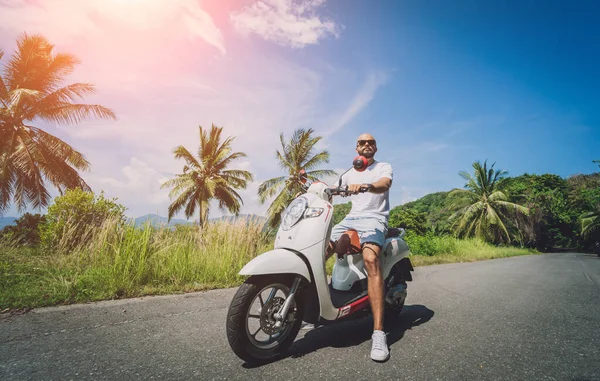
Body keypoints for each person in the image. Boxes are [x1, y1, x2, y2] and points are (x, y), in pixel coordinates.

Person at [329, 133, 393, 362]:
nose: (367, 145)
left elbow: (384, 184)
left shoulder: (383, 167)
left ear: (375, 147)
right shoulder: (348, 172)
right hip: (351, 219)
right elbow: (334, 190)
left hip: (374, 219)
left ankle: (378, 333)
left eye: (371, 142)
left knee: (370, 259)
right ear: (356, 147)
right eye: (362, 142)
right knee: (321, 249)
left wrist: (366, 185)